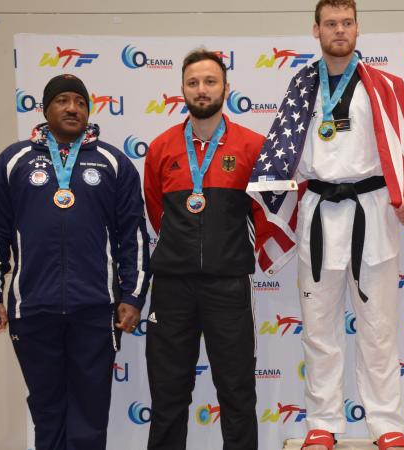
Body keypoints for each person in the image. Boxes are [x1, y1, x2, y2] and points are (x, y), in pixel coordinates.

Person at [247, 2, 404, 449]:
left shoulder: (385, 86)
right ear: (316, 30)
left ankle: (386, 423)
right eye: (331, 24)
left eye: (346, 23)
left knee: (378, 328)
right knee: (319, 329)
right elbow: (284, 157)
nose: (339, 30)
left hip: (373, 210)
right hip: (319, 215)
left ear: (358, 29)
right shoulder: (301, 88)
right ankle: (322, 423)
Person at [0, 73, 150, 450]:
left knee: (90, 413)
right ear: (45, 108)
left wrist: (133, 297)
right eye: (63, 100)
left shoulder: (114, 163)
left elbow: (133, 237)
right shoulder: (14, 160)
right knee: (47, 410)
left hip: (95, 310)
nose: (73, 108)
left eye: (81, 102)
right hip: (33, 307)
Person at [143, 49, 265, 450]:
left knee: (236, 394)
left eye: (210, 81)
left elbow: (262, 215)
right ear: (181, 89)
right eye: (193, 82)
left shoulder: (251, 146)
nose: (201, 89)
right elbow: (157, 211)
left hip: (227, 287)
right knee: (168, 396)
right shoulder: (161, 148)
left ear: (226, 88)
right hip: (172, 288)